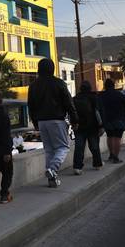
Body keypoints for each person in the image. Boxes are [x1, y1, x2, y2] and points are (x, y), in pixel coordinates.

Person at [28, 58, 78, 188]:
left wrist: (35, 122)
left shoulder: (33, 85)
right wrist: (74, 119)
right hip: (56, 120)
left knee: (49, 150)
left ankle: (52, 180)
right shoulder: (59, 83)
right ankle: (52, 169)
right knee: (63, 147)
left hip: (42, 122)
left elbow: (31, 106)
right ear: (52, 68)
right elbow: (68, 102)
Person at [72, 81, 104, 175]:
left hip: (79, 127)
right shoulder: (94, 97)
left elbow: (72, 112)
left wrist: (74, 123)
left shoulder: (75, 99)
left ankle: (77, 167)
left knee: (79, 147)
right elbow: (97, 113)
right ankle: (97, 164)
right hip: (92, 126)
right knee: (94, 146)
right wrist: (101, 126)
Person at [98, 79, 125, 164]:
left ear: (105, 86)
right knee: (117, 138)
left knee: (110, 136)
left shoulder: (101, 95)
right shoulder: (119, 94)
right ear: (113, 86)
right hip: (118, 119)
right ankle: (116, 157)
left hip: (107, 120)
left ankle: (111, 154)